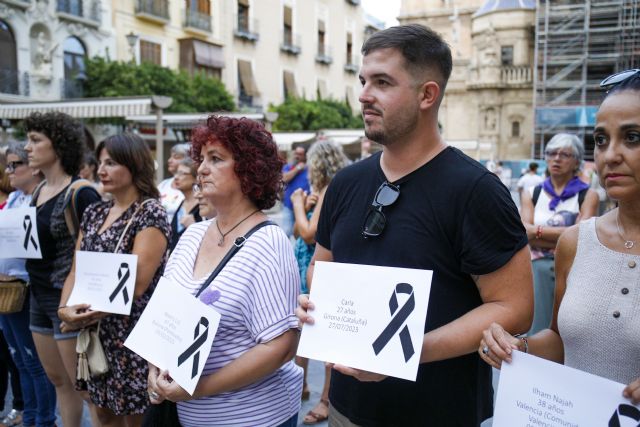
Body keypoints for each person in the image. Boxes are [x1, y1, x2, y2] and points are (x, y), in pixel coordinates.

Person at [296, 24, 533, 426]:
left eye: (383, 82)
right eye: (363, 80)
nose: (364, 95)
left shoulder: (476, 190)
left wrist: (403, 351)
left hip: (438, 412)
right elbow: (322, 264)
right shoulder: (347, 182)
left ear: (428, 94)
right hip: (346, 409)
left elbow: (515, 308)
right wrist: (318, 303)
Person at [479, 68, 640, 406]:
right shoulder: (576, 241)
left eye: (632, 137)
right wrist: (516, 346)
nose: (610, 155)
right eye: (600, 139)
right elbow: (559, 340)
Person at [148, 115, 302, 427]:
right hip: (189, 416)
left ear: (249, 169)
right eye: (201, 158)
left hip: (251, 417)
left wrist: (196, 389)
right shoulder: (192, 235)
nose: (202, 168)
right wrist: (154, 368)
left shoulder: (269, 243)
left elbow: (280, 346)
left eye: (216, 159)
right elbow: (162, 315)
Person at [57, 133, 170, 426]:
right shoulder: (95, 211)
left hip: (134, 332)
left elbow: (137, 285)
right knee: (102, 412)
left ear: (134, 166)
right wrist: (64, 308)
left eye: (112, 162)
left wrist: (77, 317)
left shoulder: (150, 213)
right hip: (97, 329)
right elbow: (76, 270)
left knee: (136, 417)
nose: (102, 170)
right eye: (101, 162)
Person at [23, 112, 101, 427]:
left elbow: (96, 250)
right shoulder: (37, 190)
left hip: (68, 300)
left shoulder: (81, 192)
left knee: (86, 390)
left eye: (35, 140)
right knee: (58, 380)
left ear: (58, 145)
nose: (28, 147)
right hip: (38, 295)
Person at [290, 139, 350, 425]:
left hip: (320, 268)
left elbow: (308, 233)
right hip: (307, 265)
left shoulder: (330, 189)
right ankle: (302, 385)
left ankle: (325, 398)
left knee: (321, 333)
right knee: (306, 330)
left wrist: (298, 205)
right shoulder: (322, 192)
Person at [0, 141, 57, 427]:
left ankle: (43, 419)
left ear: (32, 168)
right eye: (8, 165)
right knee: (19, 360)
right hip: (5, 290)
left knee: (35, 362)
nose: (8, 171)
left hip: (25, 288)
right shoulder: (13, 200)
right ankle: (31, 416)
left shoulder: (39, 198)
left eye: (14, 164)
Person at [520, 133, 599, 334]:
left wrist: (538, 233)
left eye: (565, 154)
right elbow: (524, 232)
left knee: (567, 330)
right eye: (551, 153)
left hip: (573, 270)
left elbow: (582, 235)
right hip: (536, 270)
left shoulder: (588, 195)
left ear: (577, 161)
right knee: (537, 329)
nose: (556, 158)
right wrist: (565, 234)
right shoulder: (531, 193)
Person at [168, 157, 202, 252]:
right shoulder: (181, 203)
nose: (176, 177)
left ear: (196, 178)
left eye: (182, 173)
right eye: (176, 173)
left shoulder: (204, 206)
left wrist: (193, 226)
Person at [281, 145, 310, 237]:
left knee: (301, 234)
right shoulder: (288, 167)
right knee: (286, 232)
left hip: (305, 207)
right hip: (289, 206)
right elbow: (284, 179)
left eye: (300, 154)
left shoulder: (310, 168)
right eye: (296, 153)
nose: (297, 156)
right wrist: (297, 169)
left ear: (305, 156)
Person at [158, 143, 189, 222]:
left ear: (188, 160)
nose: (169, 160)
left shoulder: (192, 186)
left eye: (176, 157)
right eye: (170, 156)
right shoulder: (163, 184)